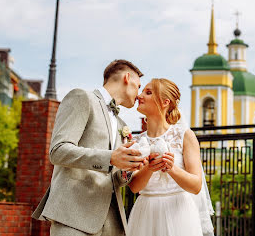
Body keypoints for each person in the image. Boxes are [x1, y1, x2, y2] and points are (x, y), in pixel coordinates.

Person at [32, 59, 146, 236]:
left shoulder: (122, 124)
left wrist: (126, 169)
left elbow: (114, 176)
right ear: (127, 77)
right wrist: (110, 157)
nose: (139, 94)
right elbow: (58, 151)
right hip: (74, 216)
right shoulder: (82, 97)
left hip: (112, 224)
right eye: (138, 86)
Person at [126, 78, 205, 236]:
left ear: (164, 102)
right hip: (145, 213)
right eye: (142, 91)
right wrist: (149, 168)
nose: (139, 96)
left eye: (148, 93)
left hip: (178, 213)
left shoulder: (185, 136)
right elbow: (134, 187)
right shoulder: (137, 141)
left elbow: (196, 186)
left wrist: (172, 168)